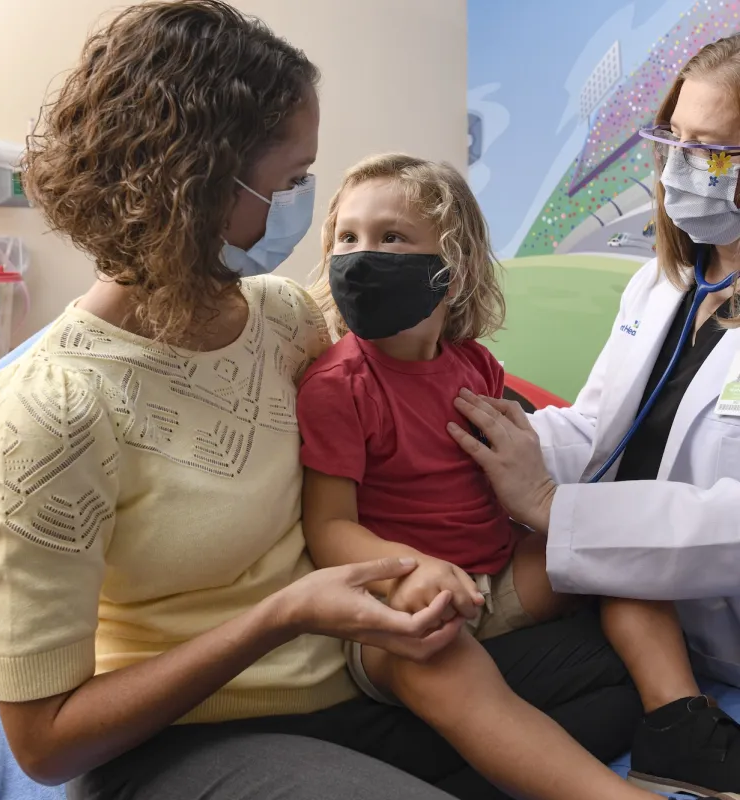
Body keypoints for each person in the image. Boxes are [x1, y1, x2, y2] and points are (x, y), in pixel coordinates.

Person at [0, 3, 643, 800]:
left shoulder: (281, 317)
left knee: (617, 678)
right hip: (190, 734)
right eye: (290, 182)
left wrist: (521, 461)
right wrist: (280, 615)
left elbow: (397, 397)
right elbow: (44, 743)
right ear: (200, 185)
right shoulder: (53, 410)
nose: (304, 211)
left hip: (350, 674)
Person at [298, 153, 713, 800]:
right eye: (346, 238)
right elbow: (328, 532)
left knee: (614, 550)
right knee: (440, 663)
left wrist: (545, 510)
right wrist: (414, 571)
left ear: (453, 266)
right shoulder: (338, 387)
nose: (361, 255)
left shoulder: (473, 368)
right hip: (397, 605)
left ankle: (680, 724)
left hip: (494, 579)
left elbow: (504, 484)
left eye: (391, 237)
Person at [447, 34, 740, 800]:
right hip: (626, 592)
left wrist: (555, 509)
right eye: (673, 138)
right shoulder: (661, 283)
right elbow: (597, 428)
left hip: (710, 618)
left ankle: (679, 723)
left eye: (710, 151)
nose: (678, 167)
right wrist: (498, 436)